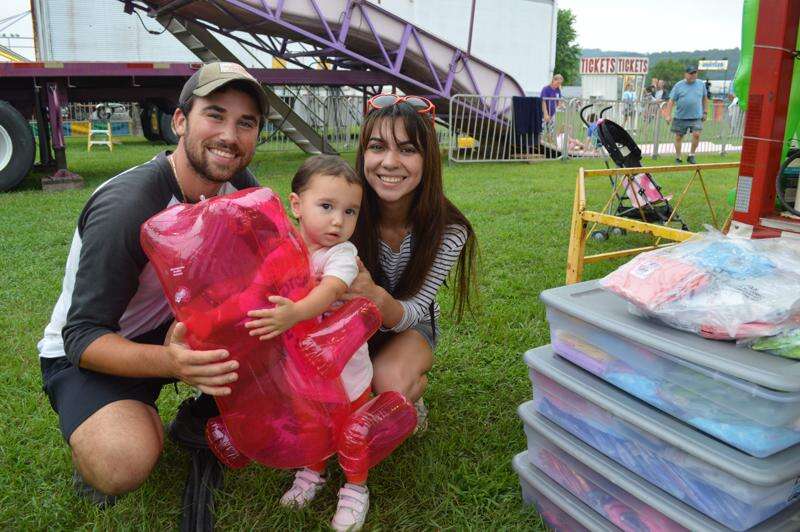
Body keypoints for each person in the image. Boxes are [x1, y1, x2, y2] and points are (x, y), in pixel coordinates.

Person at [36, 62, 269, 506]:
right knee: (123, 460)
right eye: (215, 115)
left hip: (175, 327)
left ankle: (197, 415)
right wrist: (173, 363)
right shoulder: (129, 204)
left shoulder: (235, 182)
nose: (230, 136)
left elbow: (269, 262)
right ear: (180, 121)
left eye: (246, 123)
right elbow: (81, 337)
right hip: (97, 350)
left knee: (278, 322)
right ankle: (103, 429)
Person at [244, 155, 378, 531]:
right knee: (309, 423)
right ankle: (312, 470)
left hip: (345, 369)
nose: (339, 221)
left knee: (352, 430)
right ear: (297, 205)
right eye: (327, 207)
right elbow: (262, 283)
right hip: (301, 370)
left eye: (350, 211)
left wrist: (296, 313)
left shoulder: (341, 254)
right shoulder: (284, 248)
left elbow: (332, 289)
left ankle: (355, 487)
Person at [345, 93, 478, 438]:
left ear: (428, 158)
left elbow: (414, 310)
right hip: (349, 324)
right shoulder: (345, 210)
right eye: (377, 147)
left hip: (409, 325)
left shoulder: (450, 229)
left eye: (407, 149)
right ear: (363, 154)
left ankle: (412, 389)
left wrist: (373, 295)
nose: (389, 162)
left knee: (386, 387)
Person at [665, 65, 708, 164]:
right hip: (680, 116)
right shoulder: (678, 85)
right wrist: (668, 115)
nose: (693, 75)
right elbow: (671, 101)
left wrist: (705, 112)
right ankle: (678, 157)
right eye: (691, 73)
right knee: (678, 137)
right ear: (685, 74)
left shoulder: (701, 84)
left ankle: (691, 155)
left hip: (696, 116)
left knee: (696, 134)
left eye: (695, 73)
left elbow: (705, 99)